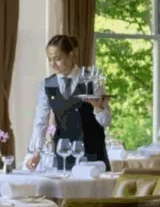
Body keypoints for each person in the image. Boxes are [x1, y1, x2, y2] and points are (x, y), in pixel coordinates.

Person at [24, 34, 111, 172]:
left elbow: (106, 122)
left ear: (70, 55)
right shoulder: (48, 85)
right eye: (50, 59)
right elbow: (40, 121)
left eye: (58, 58)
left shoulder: (92, 81)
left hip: (92, 157)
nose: (53, 63)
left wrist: (98, 108)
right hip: (63, 157)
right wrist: (36, 153)